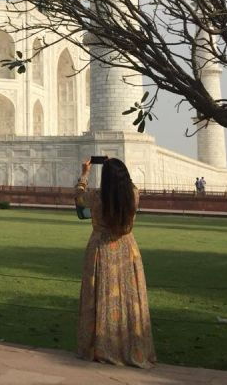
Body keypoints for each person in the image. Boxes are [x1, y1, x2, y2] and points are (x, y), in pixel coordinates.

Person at [75, 157, 155, 368]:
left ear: (105, 178)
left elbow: (79, 197)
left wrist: (85, 174)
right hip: (127, 250)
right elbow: (130, 186)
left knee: (100, 296)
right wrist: (117, 167)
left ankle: (101, 348)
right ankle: (133, 349)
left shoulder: (96, 197)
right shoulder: (133, 195)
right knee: (129, 298)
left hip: (101, 249)